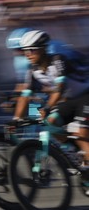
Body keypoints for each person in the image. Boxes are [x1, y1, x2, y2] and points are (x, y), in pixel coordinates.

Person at [11, 30, 89, 182]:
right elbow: (25, 97)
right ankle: (74, 151)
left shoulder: (58, 60)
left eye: (31, 50)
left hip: (86, 96)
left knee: (81, 132)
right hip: (70, 101)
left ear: (43, 48)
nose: (28, 54)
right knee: (50, 123)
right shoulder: (32, 71)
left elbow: (60, 88)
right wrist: (16, 119)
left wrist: (46, 108)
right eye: (25, 51)